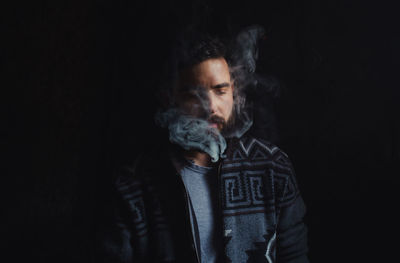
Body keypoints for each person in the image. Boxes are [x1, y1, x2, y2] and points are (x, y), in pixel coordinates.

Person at [97, 29, 309, 263]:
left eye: (220, 90)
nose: (211, 107)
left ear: (233, 92)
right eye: (194, 94)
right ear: (168, 98)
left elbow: (294, 257)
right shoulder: (134, 184)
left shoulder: (272, 166)